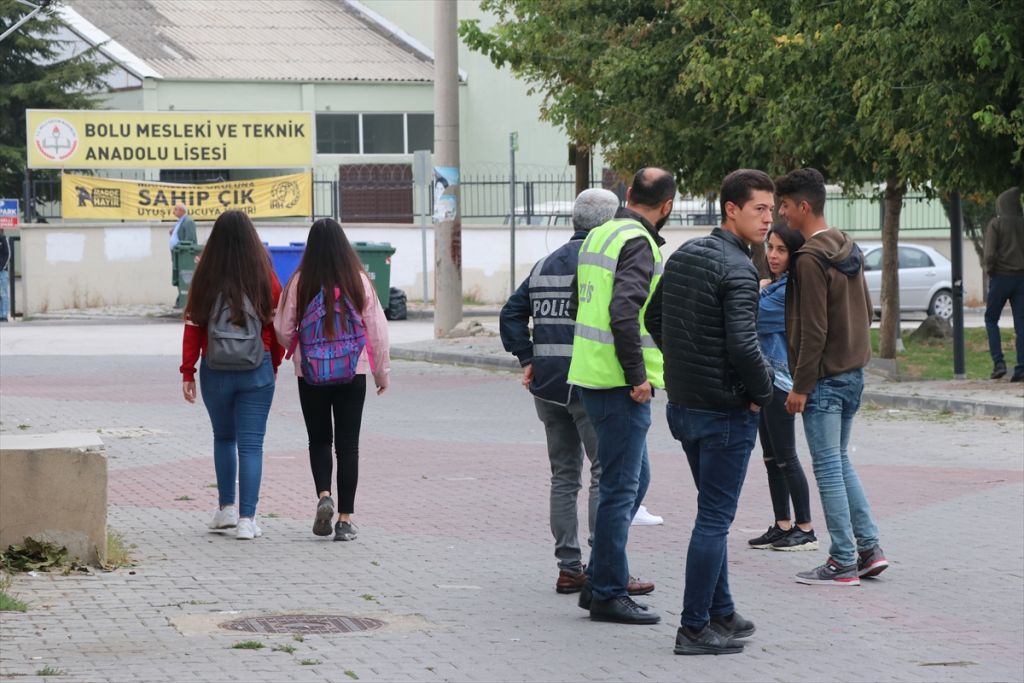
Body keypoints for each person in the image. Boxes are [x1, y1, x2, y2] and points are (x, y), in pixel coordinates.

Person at [646, 169, 775, 655]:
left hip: (686, 407)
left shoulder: (685, 254)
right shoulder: (739, 269)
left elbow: (653, 317)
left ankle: (720, 611)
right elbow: (744, 346)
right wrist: (763, 394)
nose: (768, 219)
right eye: (759, 209)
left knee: (710, 513)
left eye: (771, 209)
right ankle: (695, 626)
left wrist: (682, 364)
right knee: (714, 521)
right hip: (724, 413)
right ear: (731, 210)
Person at [568, 167, 675, 625]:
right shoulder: (639, 243)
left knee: (631, 481)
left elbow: (578, 301)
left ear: (629, 193)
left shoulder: (600, 233)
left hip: (592, 377)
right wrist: (637, 376)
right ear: (667, 206)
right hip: (619, 385)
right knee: (618, 489)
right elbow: (623, 310)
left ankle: (599, 576)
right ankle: (609, 592)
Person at [499, 189, 618, 594]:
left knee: (564, 477)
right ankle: (604, 565)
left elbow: (511, 313)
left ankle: (569, 567)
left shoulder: (544, 263)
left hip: (547, 386)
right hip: (592, 384)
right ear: (609, 223)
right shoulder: (604, 262)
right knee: (605, 474)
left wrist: (527, 358)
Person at [776, 167, 888, 586]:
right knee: (839, 461)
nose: (782, 215)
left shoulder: (808, 258)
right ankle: (869, 549)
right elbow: (868, 312)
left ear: (804, 206)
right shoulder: (847, 246)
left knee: (826, 467)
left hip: (822, 380)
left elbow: (813, 329)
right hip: (853, 372)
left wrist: (800, 386)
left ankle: (842, 560)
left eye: (785, 206)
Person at [275, 218, 390, 542]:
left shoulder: (299, 280)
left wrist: (301, 348)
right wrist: (381, 372)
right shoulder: (358, 281)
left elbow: (283, 329)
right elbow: (378, 332)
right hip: (352, 371)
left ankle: (324, 494)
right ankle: (344, 519)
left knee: (319, 440)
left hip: (310, 372)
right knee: (348, 446)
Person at [180, 210, 284, 540]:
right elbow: (276, 327)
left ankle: (225, 509)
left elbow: (193, 327)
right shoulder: (265, 277)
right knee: (251, 445)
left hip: (216, 369)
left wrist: (188, 371)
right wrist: (274, 364)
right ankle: (247, 520)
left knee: (224, 438)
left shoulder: (205, 277)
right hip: (258, 369)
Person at [747, 225, 818, 552]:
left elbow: (754, 317)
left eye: (781, 250)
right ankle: (782, 524)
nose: (773, 256)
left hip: (780, 382)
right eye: (770, 248)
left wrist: (757, 291)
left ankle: (805, 528)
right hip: (765, 379)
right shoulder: (775, 286)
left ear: (794, 255)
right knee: (771, 457)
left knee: (786, 455)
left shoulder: (789, 290)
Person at [983, 186, 1024, 382]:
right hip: (1021, 279)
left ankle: (999, 363)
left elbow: (990, 253)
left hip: (1000, 277)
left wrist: (989, 270)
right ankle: (1022, 368)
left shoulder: (995, 224)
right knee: (1021, 324)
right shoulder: (1022, 223)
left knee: (991, 319)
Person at [170, 202, 198, 288]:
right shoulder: (181, 221)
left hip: (183, 257)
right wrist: (173, 233)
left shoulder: (188, 221)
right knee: (178, 279)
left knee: (184, 279)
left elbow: (190, 240)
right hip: (178, 255)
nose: (173, 211)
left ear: (182, 210)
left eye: (176, 209)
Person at [0, 229, 10, 322]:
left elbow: (7, 254)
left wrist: (2, 267)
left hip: (2, 272)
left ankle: (4, 315)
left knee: (3, 294)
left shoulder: (3, 239)